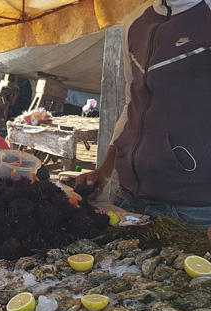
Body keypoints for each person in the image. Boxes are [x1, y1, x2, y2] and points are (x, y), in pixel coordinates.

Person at [75, 0, 211, 235]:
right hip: (129, 200)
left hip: (194, 209)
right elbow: (132, 103)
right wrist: (106, 170)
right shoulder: (135, 22)